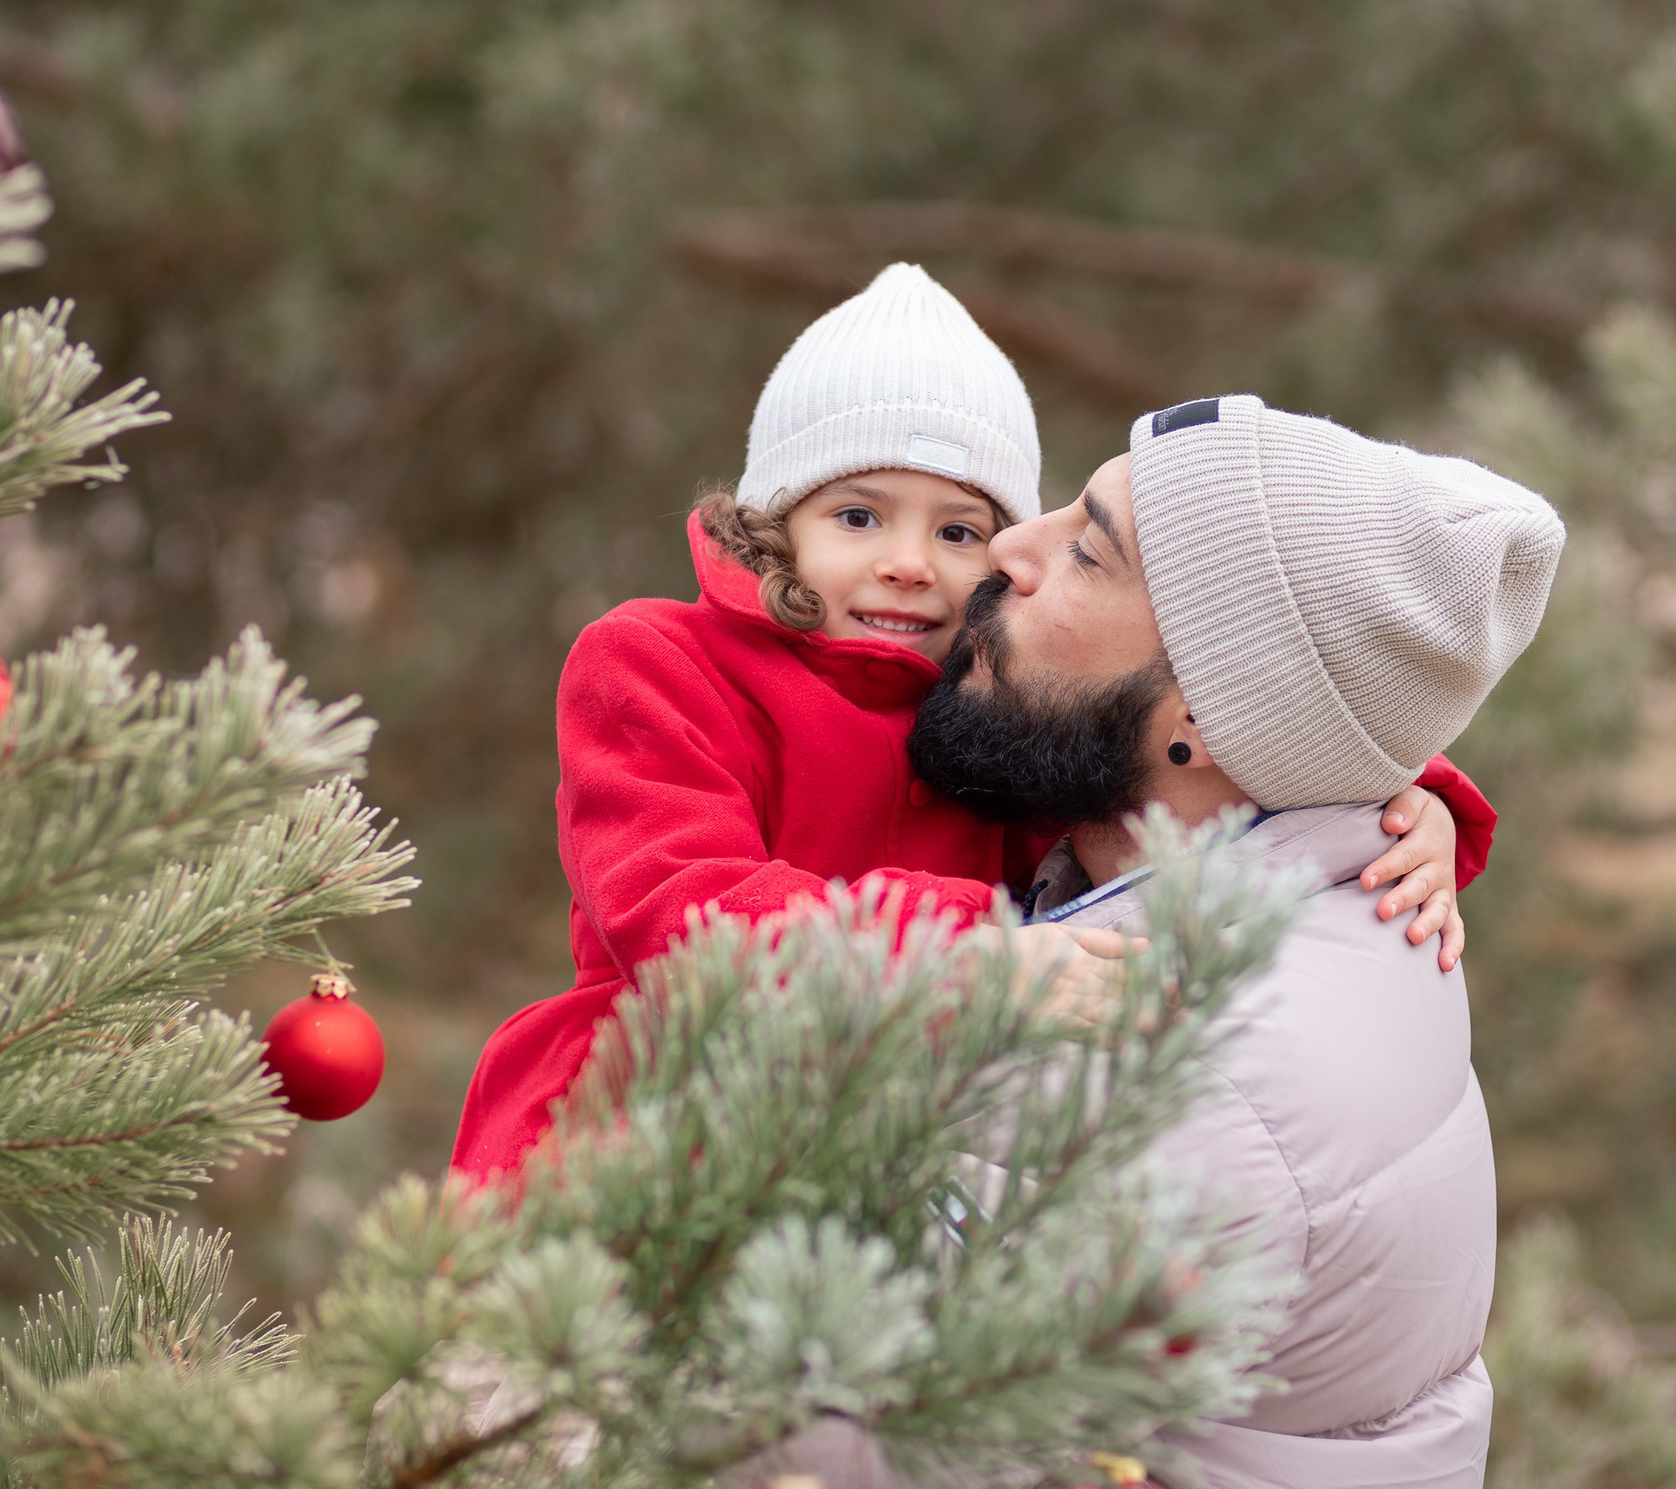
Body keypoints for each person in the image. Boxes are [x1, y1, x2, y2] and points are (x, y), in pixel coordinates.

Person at [448, 271, 1495, 1183]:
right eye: (857, 517)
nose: (909, 562)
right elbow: (678, 912)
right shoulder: (663, 664)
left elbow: (1234, 697)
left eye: (957, 530)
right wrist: (962, 961)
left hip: (863, 1160)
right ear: (772, 525)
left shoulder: (987, 701)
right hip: (631, 1133)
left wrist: (1415, 799)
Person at [903, 394, 1565, 1489]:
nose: (1007, 547)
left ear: (1203, 723)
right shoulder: (1329, 876)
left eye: (1084, 552)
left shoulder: (1188, 1077)